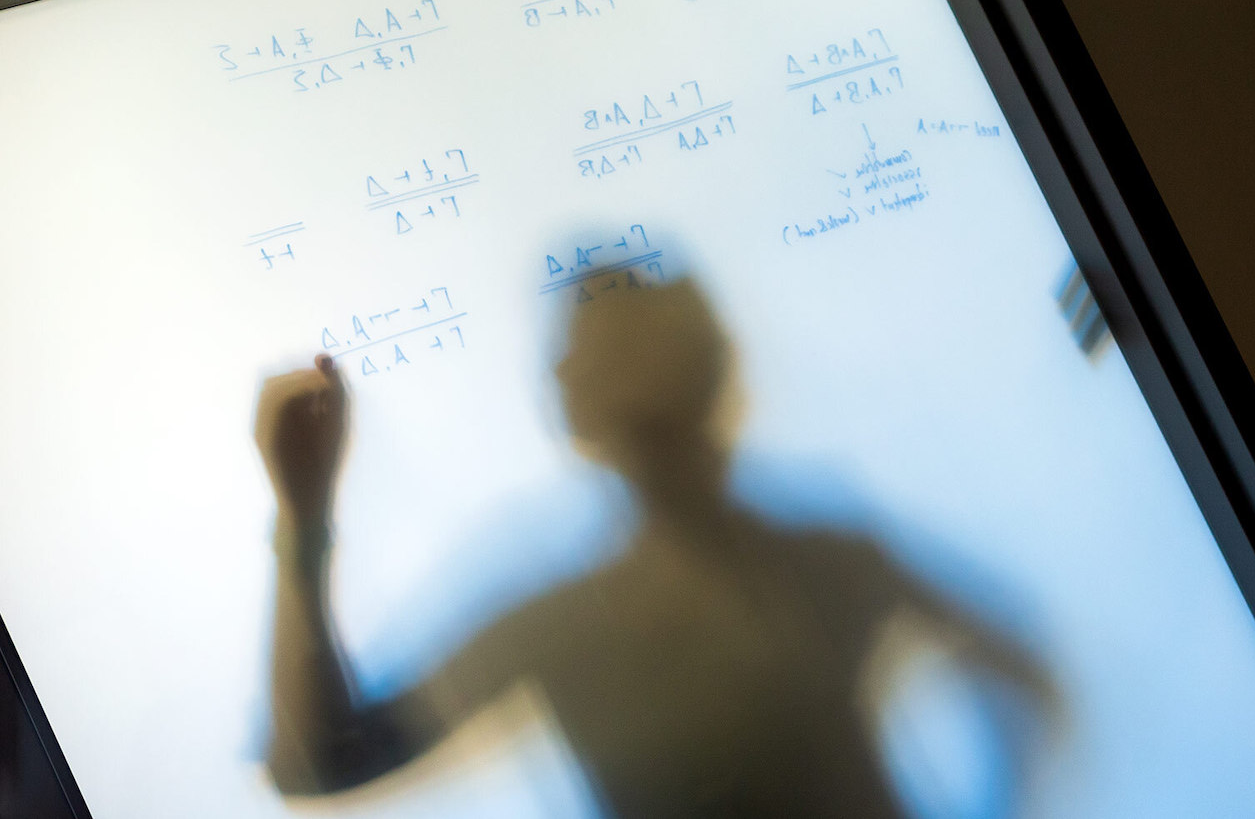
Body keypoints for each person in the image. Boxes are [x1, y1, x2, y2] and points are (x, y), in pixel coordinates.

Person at [255, 278, 1059, 816]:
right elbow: (322, 763)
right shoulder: (823, 563)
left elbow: (1023, 675)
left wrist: (305, 517)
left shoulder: (830, 561)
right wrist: (304, 515)